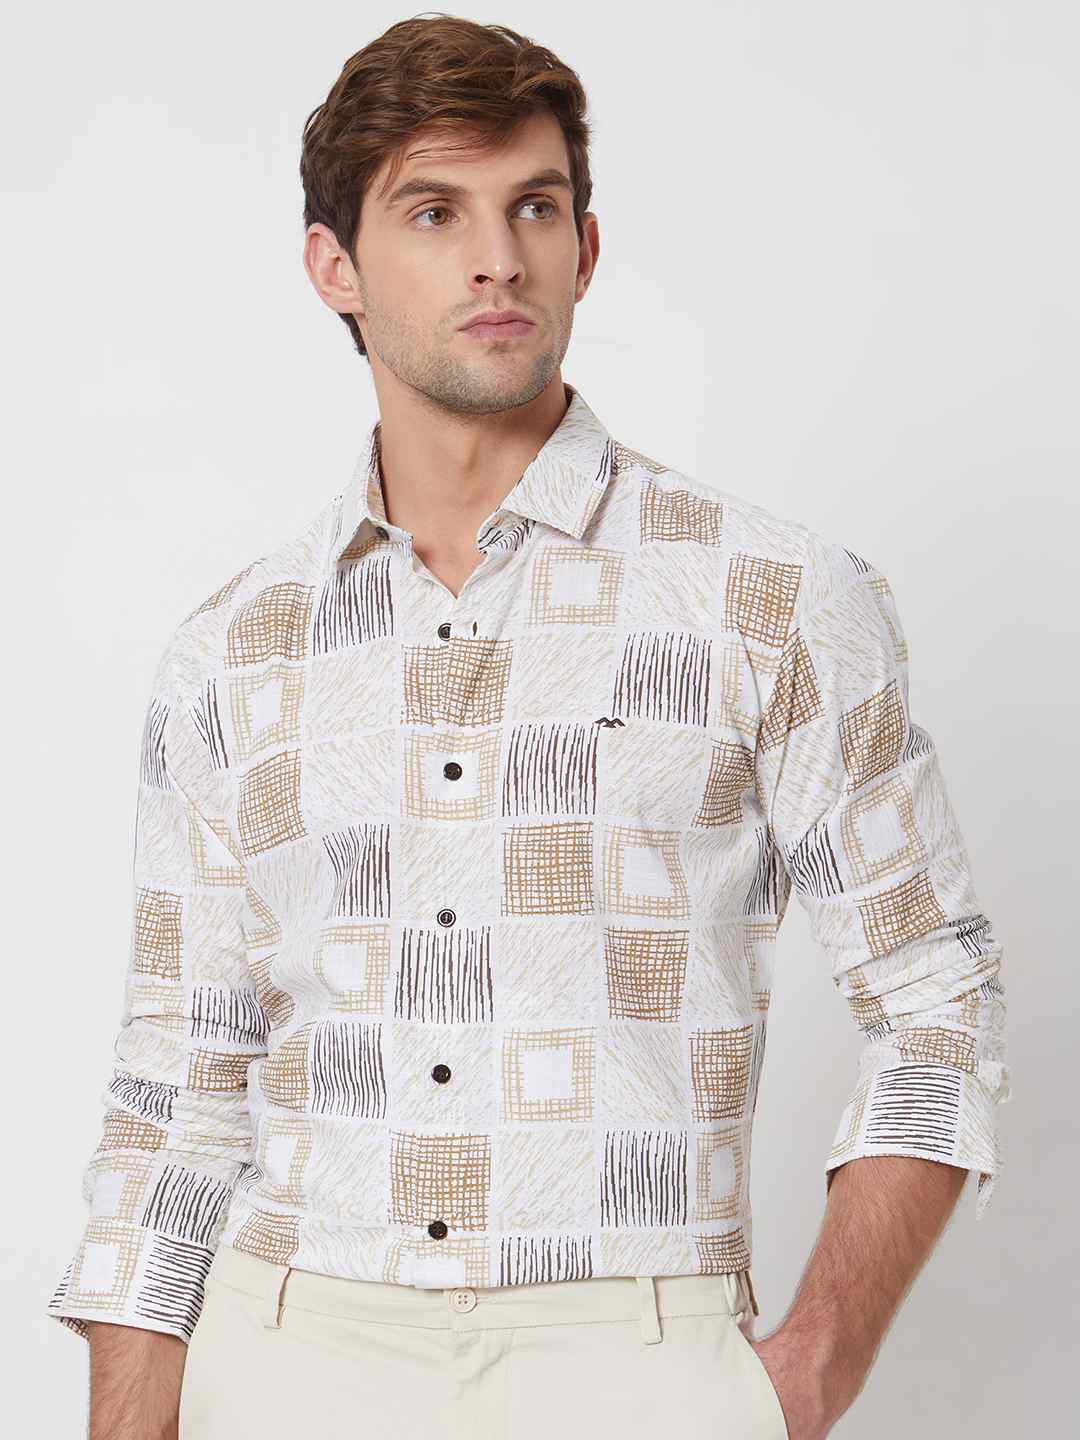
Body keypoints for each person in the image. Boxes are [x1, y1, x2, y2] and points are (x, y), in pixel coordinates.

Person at [46, 15, 1011, 1440]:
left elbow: (936, 995)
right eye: (435, 212)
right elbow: (175, 1088)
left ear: (585, 249)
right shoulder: (234, 651)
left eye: (535, 207)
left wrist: (812, 1367)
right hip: (288, 1350)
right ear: (335, 268)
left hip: (635, 1354)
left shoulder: (769, 595)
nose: (498, 257)